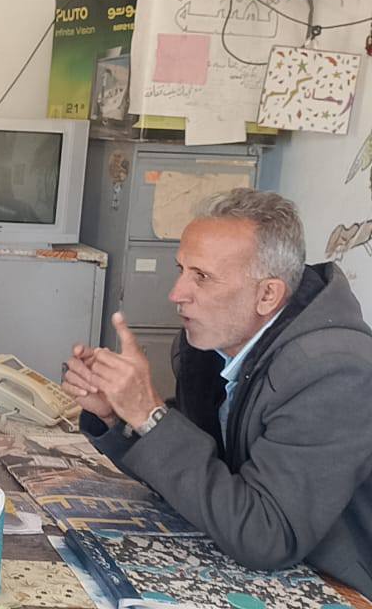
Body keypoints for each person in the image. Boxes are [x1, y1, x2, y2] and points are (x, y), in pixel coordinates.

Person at [62, 188, 372, 596]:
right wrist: (117, 414)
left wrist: (150, 416)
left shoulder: (334, 370)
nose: (176, 294)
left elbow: (266, 534)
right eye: (181, 269)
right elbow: (195, 479)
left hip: (339, 586)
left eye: (202, 277)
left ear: (268, 294)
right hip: (254, 561)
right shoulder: (213, 342)